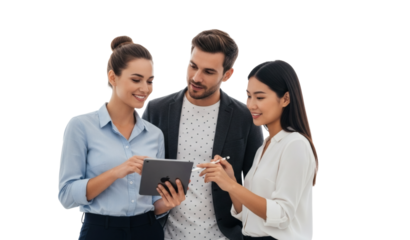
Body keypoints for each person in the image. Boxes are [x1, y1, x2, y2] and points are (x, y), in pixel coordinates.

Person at [57, 35, 188, 240]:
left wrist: (171, 201)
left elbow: (154, 203)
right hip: (100, 231)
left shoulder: (154, 135)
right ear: (113, 77)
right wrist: (117, 172)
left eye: (150, 81)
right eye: (136, 79)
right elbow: (66, 197)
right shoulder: (80, 126)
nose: (145, 89)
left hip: (148, 230)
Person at [142, 28, 264, 240]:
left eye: (208, 72)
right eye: (193, 66)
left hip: (224, 235)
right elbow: (139, 177)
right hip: (166, 234)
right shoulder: (156, 109)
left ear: (228, 75)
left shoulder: (246, 117)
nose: (196, 77)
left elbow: (257, 186)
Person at [197, 59, 319, 240]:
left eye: (260, 97)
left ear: (285, 98)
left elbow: (282, 215)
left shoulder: (295, 145)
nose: (251, 105)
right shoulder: (265, 146)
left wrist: (230, 185)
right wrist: (232, 181)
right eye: (248, 96)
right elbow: (247, 213)